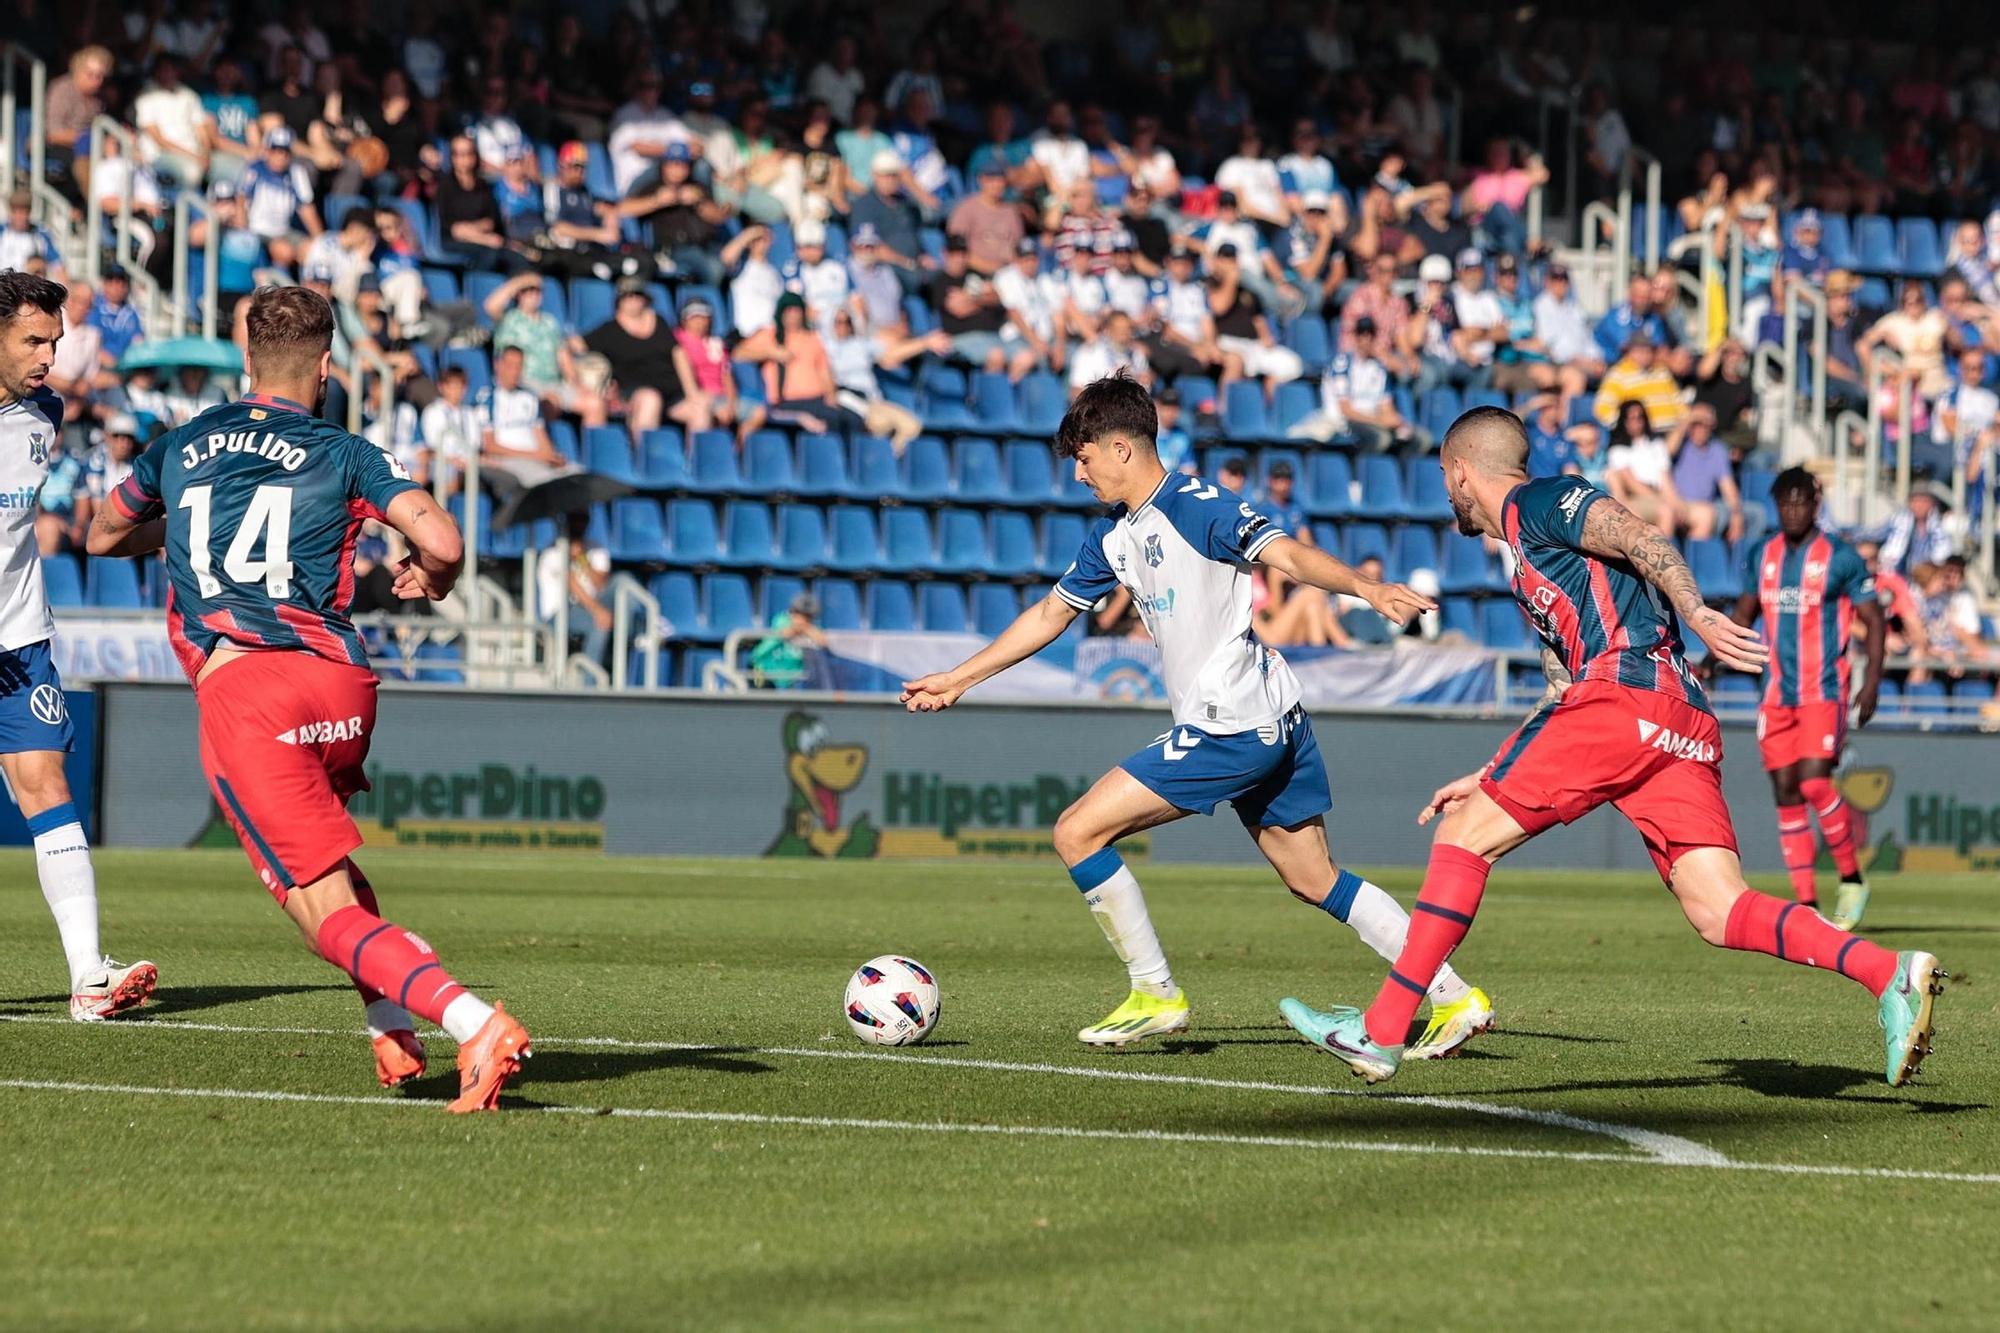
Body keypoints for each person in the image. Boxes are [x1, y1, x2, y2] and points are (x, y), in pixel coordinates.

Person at [1277, 407, 1942, 1091]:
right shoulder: (1529, 567)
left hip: (1627, 692)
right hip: (1673, 717)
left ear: (1460, 471)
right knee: (1719, 909)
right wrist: (1494, 771)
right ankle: (1887, 972)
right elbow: (1563, 692)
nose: (1449, 496)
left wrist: (1698, 609)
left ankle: (1381, 1030)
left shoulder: (1539, 503)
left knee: (1462, 836)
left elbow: (1637, 535)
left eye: (1448, 481)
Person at [900, 374, 1493, 1055]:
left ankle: (1154, 991)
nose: (1079, 472)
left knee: (1077, 832)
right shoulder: (1115, 537)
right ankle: (1454, 997)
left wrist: (1361, 585)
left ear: (1121, 448)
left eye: (1084, 455)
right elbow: (1049, 614)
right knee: (1314, 878)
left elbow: (1285, 552)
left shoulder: (1196, 505)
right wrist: (958, 679)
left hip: (1231, 722)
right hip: (1274, 710)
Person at [87, 284, 532, 1111]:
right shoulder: (347, 450)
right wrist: (428, 575)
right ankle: (390, 1022)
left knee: (318, 910)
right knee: (330, 874)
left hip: (248, 690)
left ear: (247, 357)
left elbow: (100, 533)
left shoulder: (179, 447)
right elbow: (442, 539)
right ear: (326, 366)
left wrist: (185, 522)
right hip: (341, 684)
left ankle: (475, 1021)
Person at [0, 272, 156, 1020]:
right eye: (32, 339)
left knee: (48, 786)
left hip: (20, 638)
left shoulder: (46, 414)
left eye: (54, 342)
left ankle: (90, 980)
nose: (48, 357)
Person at [1730, 469, 1885, 928]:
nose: (1794, 510)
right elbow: (1745, 611)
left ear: (1816, 504)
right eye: (1786, 503)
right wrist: (1710, 657)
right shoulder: (1763, 554)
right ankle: (1808, 906)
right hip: (1776, 692)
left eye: (1802, 502)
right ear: (1777, 505)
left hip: (1824, 690)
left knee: (1816, 784)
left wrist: (1871, 681)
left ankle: (1853, 879)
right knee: (1785, 791)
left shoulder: (1840, 557)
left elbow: (1874, 620)